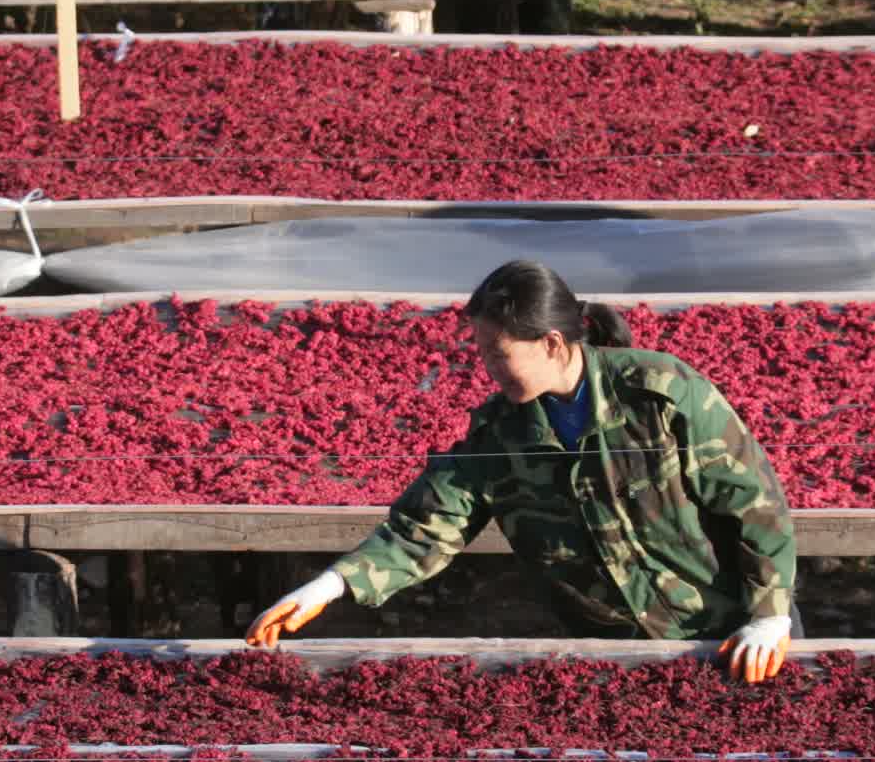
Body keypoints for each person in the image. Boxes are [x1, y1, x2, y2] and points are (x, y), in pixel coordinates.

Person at [245, 260, 796, 683]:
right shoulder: (501, 434)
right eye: (482, 353)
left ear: (552, 342)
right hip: (620, 654)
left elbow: (751, 501)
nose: (489, 368)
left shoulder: (661, 393)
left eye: (499, 353)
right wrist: (329, 585)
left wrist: (769, 615)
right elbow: (425, 527)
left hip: (731, 636)